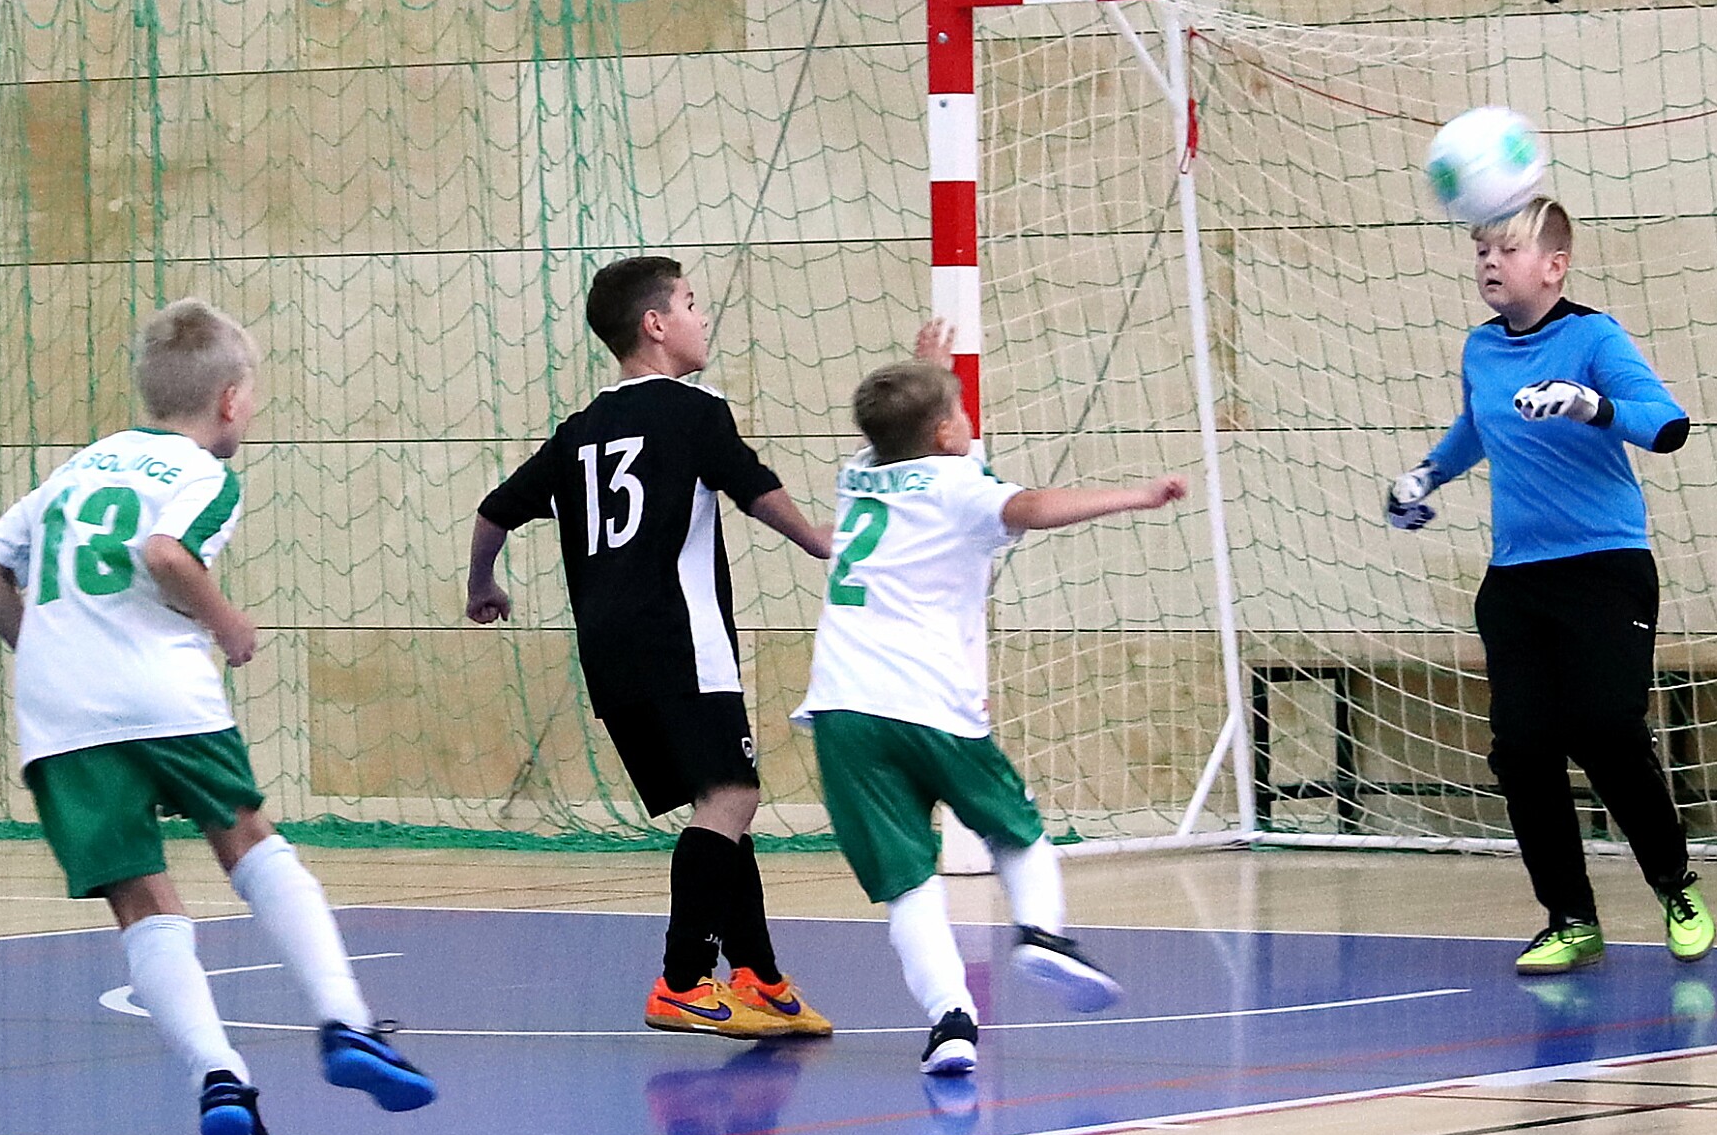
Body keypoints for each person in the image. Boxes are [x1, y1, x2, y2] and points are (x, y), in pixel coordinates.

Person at [0, 299, 434, 1135]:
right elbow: (167, 555)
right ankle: (346, 1022)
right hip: (162, 690)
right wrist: (228, 623)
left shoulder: (77, 468)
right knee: (249, 841)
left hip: (60, 717)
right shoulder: (203, 474)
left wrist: (47, 650)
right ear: (228, 399)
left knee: (140, 899)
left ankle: (220, 1080)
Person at [796, 325, 1185, 1075]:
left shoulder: (860, 477)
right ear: (946, 433)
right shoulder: (960, 490)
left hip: (843, 705)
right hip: (929, 700)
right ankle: (1041, 933)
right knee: (1018, 832)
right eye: (960, 412)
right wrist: (1137, 495)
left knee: (908, 883)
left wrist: (929, 375)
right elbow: (1030, 505)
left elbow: (911, 440)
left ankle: (950, 1022)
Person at [467, 254, 837, 1037]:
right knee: (732, 796)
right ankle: (681, 979)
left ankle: (760, 974)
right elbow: (752, 485)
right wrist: (816, 539)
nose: (703, 317)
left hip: (610, 653)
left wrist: (481, 584)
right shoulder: (695, 411)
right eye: (691, 303)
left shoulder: (579, 432)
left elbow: (495, 509)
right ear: (656, 324)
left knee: (717, 804)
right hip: (681, 638)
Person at [1388, 196, 1709, 975]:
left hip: (1604, 568)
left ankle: (1675, 884)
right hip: (1516, 579)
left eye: (1507, 249)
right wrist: (1426, 474)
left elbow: (1667, 423)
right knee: (1523, 747)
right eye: (1481, 251)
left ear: (1555, 266)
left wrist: (1589, 404)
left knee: (1605, 730)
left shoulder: (1593, 336)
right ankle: (1570, 917)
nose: (1489, 262)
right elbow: (1478, 425)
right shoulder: (1480, 348)